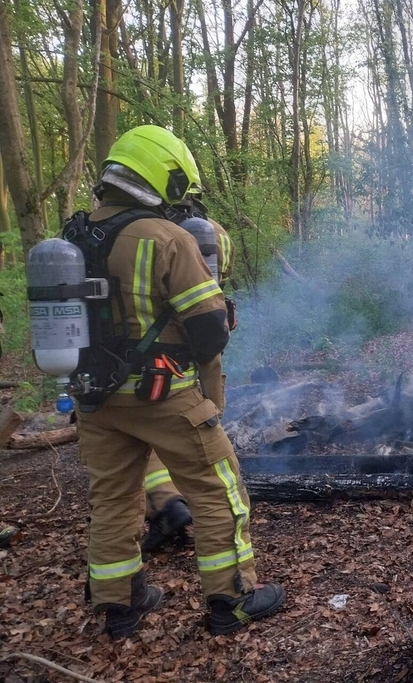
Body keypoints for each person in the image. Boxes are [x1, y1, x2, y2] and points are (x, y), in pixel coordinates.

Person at [76, 124, 283, 638]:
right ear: (161, 177)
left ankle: (120, 605)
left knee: (113, 499)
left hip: (95, 400)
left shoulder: (71, 235)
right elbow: (209, 331)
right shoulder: (168, 238)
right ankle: (231, 602)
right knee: (220, 492)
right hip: (163, 395)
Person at [142, 197, 236, 554]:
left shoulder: (143, 233)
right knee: (204, 421)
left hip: (154, 354)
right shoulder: (215, 232)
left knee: (150, 430)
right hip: (205, 336)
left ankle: (167, 502)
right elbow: (220, 279)